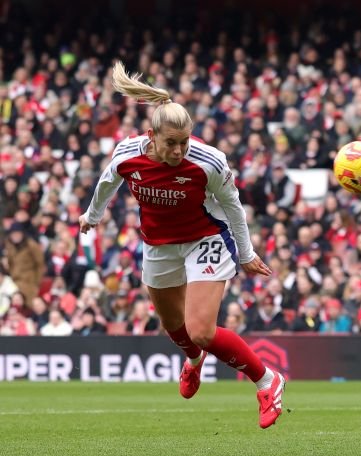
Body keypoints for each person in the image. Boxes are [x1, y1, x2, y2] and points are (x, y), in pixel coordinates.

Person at [79, 62, 285, 429]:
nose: (178, 151)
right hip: (159, 245)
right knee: (175, 328)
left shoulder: (209, 162)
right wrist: (91, 217)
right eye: (170, 143)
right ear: (152, 135)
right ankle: (193, 360)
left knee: (202, 330)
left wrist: (247, 253)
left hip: (205, 239)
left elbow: (234, 208)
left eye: (184, 142)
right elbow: (106, 183)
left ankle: (267, 381)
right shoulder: (128, 155)